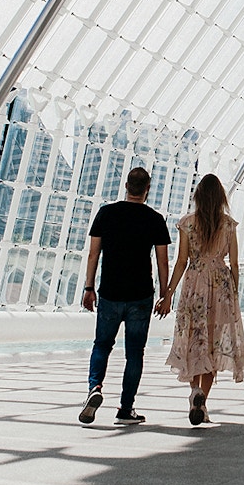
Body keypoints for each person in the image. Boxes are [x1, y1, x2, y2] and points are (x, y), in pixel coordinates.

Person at [157, 173, 244, 425]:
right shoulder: (229, 225)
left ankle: (194, 392)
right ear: (221, 197)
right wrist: (233, 294)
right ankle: (203, 403)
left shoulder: (187, 223)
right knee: (212, 343)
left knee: (193, 340)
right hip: (220, 287)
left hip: (194, 283)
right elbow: (234, 264)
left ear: (197, 196)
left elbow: (181, 262)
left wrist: (167, 294)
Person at [78, 167, 171, 425]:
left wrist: (89, 288)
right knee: (134, 353)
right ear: (147, 190)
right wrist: (165, 294)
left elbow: (93, 254)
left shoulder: (106, 213)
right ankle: (126, 408)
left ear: (126, 186)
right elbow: (162, 261)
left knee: (102, 345)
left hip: (109, 292)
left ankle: (94, 388)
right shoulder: (155, 219)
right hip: (141, 295)